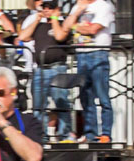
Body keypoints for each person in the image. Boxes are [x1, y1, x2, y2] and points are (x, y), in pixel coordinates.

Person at [18, 0, 72, 141]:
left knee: (61, 102)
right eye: (44, 7)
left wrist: (54, 18)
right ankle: (41, 136)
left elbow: (60, 36)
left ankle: (65, 135)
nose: (46, 10)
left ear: (56, 9)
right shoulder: (38, 25)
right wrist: (36, 19)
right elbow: (23, 37)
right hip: (40, 69)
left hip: (57, 68)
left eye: (50, 7)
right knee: (38, 105)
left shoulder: (63, 23)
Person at [62, 0, 115, 143]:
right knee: (85, 96)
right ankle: (90, 133)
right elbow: (65, 27)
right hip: (81, 54)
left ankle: (106, 133)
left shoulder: (103, 6)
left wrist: (75, 26)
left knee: (102, 95)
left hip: (98, 53)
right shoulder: (77, 6)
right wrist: (77, 12)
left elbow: (93, 29)